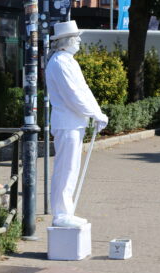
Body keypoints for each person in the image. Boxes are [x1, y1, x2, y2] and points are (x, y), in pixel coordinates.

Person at [45, 20, 109, 228]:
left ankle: (66, 211)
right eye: (77, 37)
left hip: (74, 122)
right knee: (65, 169)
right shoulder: (60, 63)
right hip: (67, 123)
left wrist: (96, 112)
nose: (80, 41)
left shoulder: (69, 61)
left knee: (71, 168)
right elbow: (72, 95)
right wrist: (93, 113)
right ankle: (61, 213)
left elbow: (84, 91)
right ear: (67, 40)